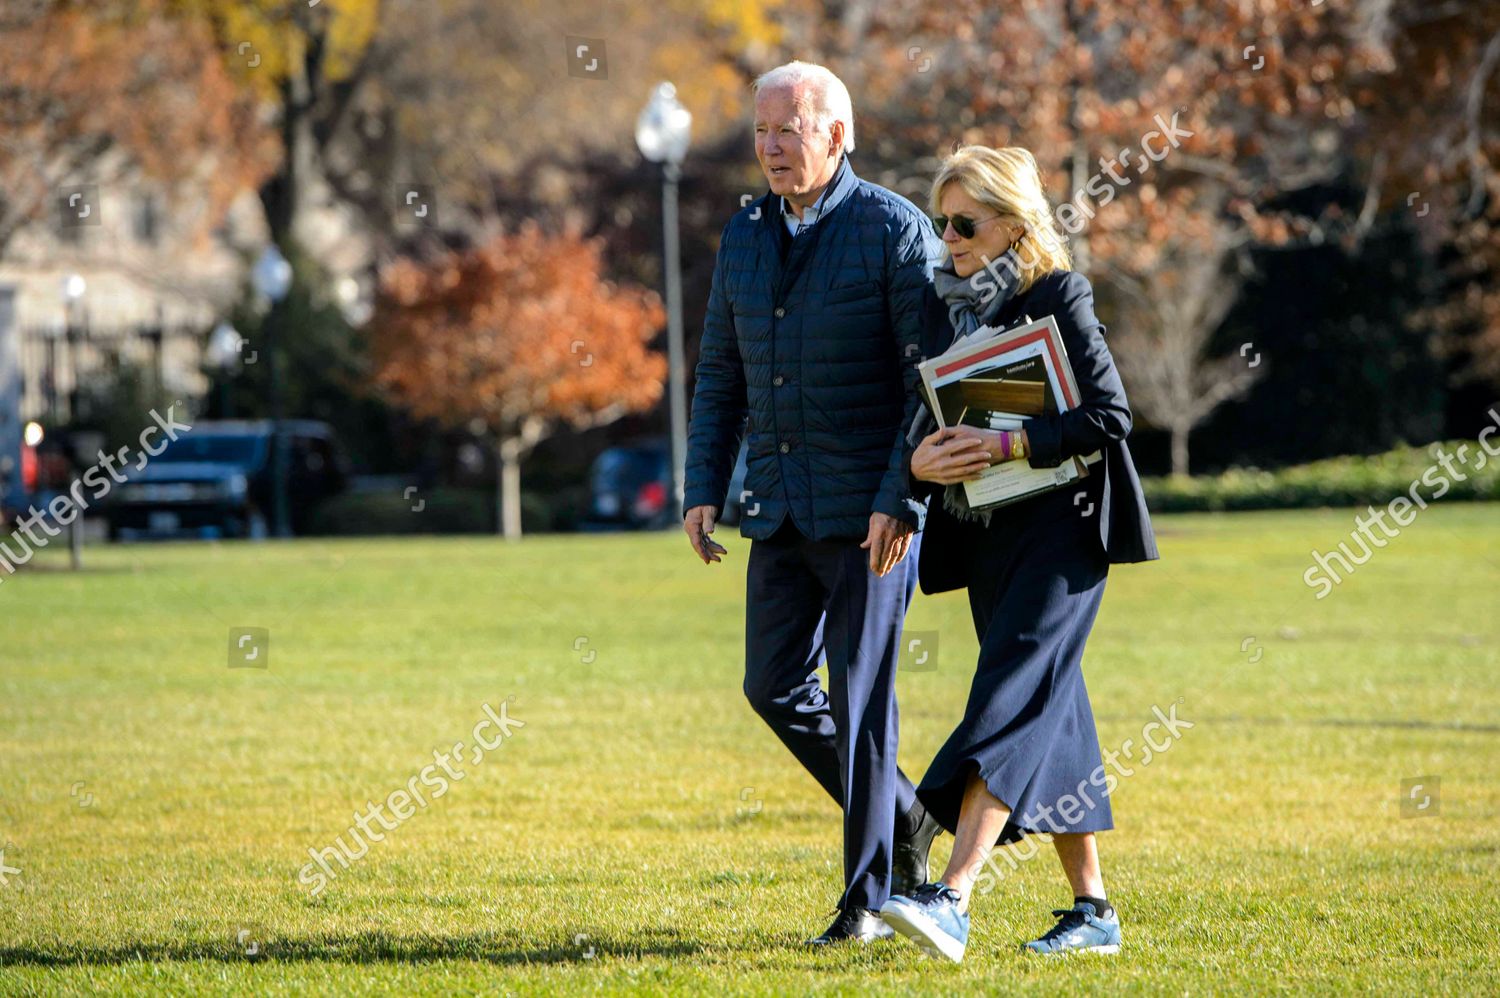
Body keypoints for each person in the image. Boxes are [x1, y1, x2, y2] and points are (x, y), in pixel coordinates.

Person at [681, 60, 946, 945]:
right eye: (761, 133)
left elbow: (928, 387)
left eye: (787, 131)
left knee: (862, 696)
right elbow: (721, 370)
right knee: (770, 684)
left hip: (873, 515)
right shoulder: (746, 232)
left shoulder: (895, 230)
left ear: (839, 134)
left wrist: (899, 499)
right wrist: (702, 487)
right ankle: (907, 815)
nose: (770, 149)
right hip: (782, 511)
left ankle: (866, 902)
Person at [877, 145, 1159, 962]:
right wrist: (913, 477)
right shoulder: (941, 309)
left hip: (1066, 537)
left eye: (965, 224)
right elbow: (921, 423)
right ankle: (1093, 911)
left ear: (1012, 223)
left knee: (1008, 697)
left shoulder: (1059, 293)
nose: (951, 238)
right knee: (1050, 703)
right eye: (942, 224)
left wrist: (1010, 447)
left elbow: (1110, 415)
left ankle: (953, 896)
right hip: (988, 542)